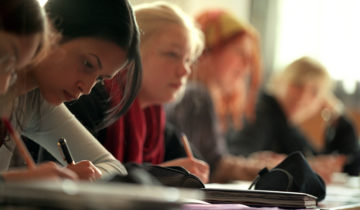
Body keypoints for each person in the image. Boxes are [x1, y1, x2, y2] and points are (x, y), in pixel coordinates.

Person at [66, 1, 209, 183]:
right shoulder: (88, 99)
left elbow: (197, 166)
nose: (184, 71)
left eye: (188, 60)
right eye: (172, 54)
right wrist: (159, 174)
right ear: (134, 52)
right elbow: (84, 174)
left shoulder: (156, 122)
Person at [0, 0, 142, 181]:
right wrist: (25, 181)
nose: (87, 88)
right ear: (51, 31)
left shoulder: (35, 100)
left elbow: (115, 169)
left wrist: (84, 176)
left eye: (99, 79)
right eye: (87, 64)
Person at [166, 9, 284, 183]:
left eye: (249, 57)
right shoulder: (196, 95)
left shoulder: (202, 97)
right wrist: (277, 170)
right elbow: (213, 167)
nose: (247, 65)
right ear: (210, 48)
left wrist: (255, 162)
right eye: (239, 52)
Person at [227, 57, 354, 180]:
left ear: (322, 101)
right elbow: (237, 156)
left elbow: (343, 162)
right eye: (298, 84)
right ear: (281, 82)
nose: (303, 95)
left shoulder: (286, 124)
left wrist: (338, 113)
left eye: (314, 91)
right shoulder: (261, 111)